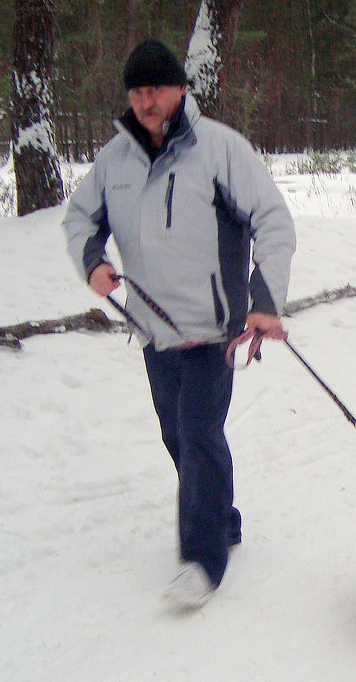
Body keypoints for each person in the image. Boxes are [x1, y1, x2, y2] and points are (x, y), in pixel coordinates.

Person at [62, 39, 297, 609]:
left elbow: (273, 222)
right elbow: (80, 218)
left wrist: (264, 300)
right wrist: (92, 262)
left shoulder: (219, 149)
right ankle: (223, 518)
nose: (146, 100)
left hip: (214, 328)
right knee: (179, 436)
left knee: (196, 432)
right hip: (153, 330)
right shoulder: (114, 161)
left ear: (180, 90)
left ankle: (203, 560)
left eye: (156, 89)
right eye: (137, 91)